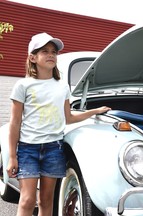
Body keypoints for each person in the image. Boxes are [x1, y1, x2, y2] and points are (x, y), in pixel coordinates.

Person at [6, 32, 111, 216]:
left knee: (46, 201)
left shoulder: (62, 87)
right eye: (45, 51)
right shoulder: (23, 86)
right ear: (32, 57)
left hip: (54, 149)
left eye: (54, 52)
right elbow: (15, 123)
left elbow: (68, 118)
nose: (51, 55)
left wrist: (94, 111)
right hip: (28, 149)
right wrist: (12, 156)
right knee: (27, 200)